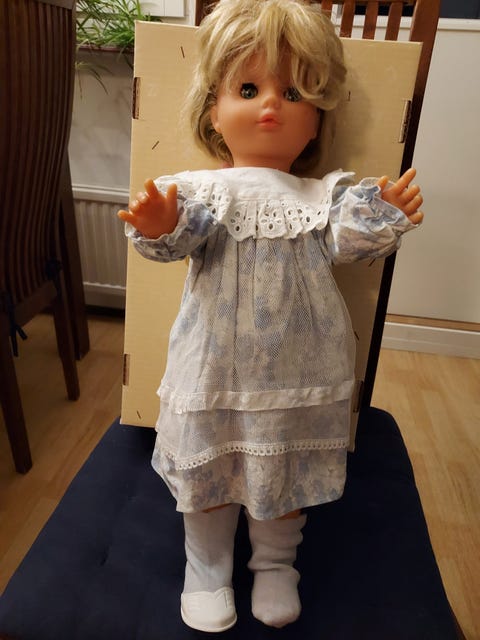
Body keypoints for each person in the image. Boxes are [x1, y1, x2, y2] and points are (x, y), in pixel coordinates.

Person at [118, 0, 424, 632]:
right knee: (210, 472)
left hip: (298, 373)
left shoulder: (323, 194)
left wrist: (381, 213)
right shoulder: (201, 191)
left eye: (293, 93)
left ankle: (276, 562)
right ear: (213, 110)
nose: (270, 107)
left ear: (316, 122)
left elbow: (350, 240)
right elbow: (175, 238)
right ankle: (206, 567)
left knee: (283, 474)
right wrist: (161, 222)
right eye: (248, 89)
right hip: (214, 370)